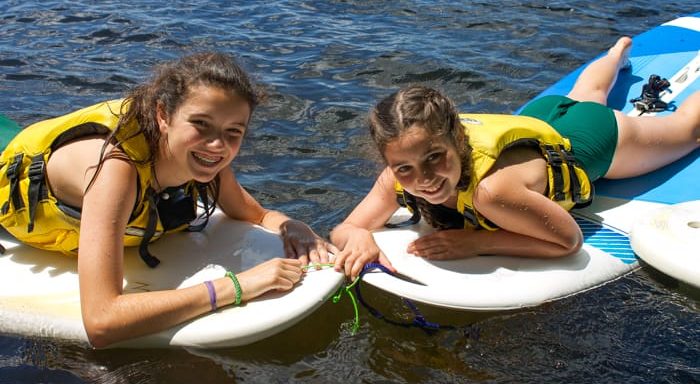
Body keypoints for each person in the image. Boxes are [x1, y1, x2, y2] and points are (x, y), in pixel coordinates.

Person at [0, 52, 336, 348]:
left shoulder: (206, 159)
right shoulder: (115, 171)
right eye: (200, 124)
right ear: (163, 115)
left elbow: (258, 215)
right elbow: (101, 321)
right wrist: (238, 286)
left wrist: (295, 227)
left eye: (234, 131)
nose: (217, 145)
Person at [330, 37, 700, 279]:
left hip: (594, 140)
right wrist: (359, 237)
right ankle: (618, 53)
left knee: (687, 129)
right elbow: (344, 229)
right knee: (588, 91)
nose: (422, 178)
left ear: (457, 140)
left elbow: (568, 241)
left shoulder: (493, 193)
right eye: (405, 168)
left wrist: (476, 242)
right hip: (539, 117)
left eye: (434, 158)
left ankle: (618, 56)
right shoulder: (394, 179)